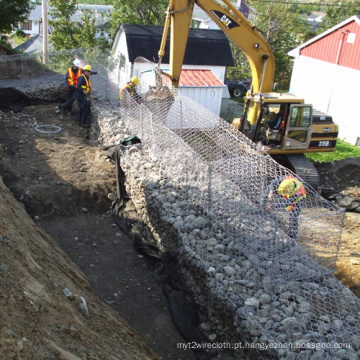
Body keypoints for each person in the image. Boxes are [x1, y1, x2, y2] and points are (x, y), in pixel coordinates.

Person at [266, 175, 307, 240]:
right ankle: (261, 202)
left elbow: (285, 204)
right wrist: (271, 192)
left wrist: (272, 206)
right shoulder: (286, 179)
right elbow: (273, 182)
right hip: (291, 196)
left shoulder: (298, 193)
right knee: (269, 188)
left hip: (298, 200)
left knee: (293, 217)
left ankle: (292, 236)